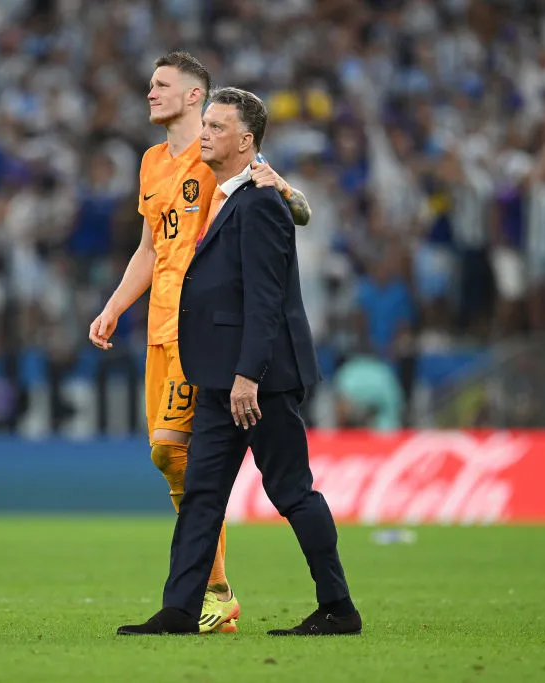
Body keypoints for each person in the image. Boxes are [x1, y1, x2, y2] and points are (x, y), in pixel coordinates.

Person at [117, 87, 359, 636]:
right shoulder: (229, 197)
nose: (204, 134)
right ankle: (181, 609)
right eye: (204, 124)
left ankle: (339, 607)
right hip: (219, 380)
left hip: (258, 383)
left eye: (217, 127)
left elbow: (265, 299)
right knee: (201, 493)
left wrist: (248, 375)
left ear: (246, 141)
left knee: (292, 492)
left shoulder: (261, 203)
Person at [87, 51, 312, 634]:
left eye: (162, 85)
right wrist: (114, 307)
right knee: (171, 461)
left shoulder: (219, 157)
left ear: (194, 96)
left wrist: (283, 186)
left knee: (178, 454)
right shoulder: (151, 163)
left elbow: (296, 209)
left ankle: (213, 591)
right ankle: (208, 591)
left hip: (201, 335)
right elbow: (148, 249)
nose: (150, 94)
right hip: (158, 330)